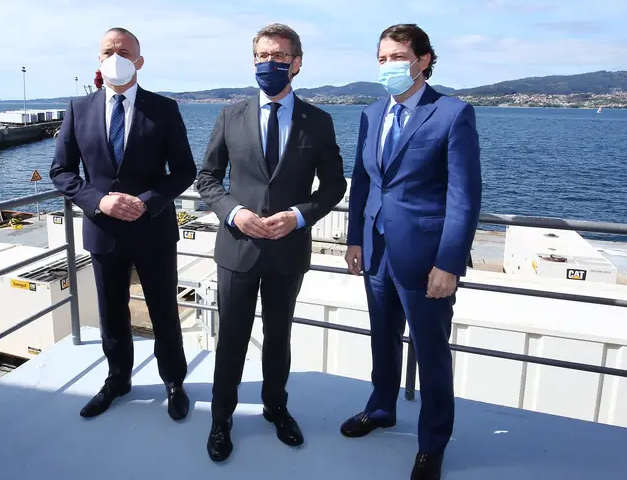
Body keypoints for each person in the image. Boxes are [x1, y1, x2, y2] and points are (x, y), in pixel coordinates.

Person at [195, 23, 347, 462]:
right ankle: (221, 418)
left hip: (287, 251)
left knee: (278, 338)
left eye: (279, 57)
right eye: (262, 56)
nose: (270, 64)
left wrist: (299, 216)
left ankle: (276, 408)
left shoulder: (317, 121)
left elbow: (334, 186)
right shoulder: (230, 116)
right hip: (237, 249)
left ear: (296, 64)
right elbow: (207, 178)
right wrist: (235, 212)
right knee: (232, 339)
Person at [341, 24, 482, 480]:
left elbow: (464, 197)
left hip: (426, 261)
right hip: (377, 250)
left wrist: (450, 263)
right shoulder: (371, 112)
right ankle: (381, 408)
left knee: (430, 351)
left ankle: (432, 443)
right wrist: (355, 239)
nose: (389, 67)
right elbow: (363, 182)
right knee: (381, 338)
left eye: (397, 57)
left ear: (423, 60)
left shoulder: (452, 114)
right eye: (382, 59)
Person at [50, 27, 196, 422]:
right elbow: (61, 172)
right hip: (104, 231)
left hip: (153, 230)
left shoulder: (164, 109)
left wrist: (146, 203)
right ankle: (118, 378)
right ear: (99, 60)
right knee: (111, 312)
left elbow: (184, 170)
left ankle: (174, 381)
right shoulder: (78, 110)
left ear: (139, 60)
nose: (116, 57)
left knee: (164, 309)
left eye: (124, 51)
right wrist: (100, 201)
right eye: (108, 51)